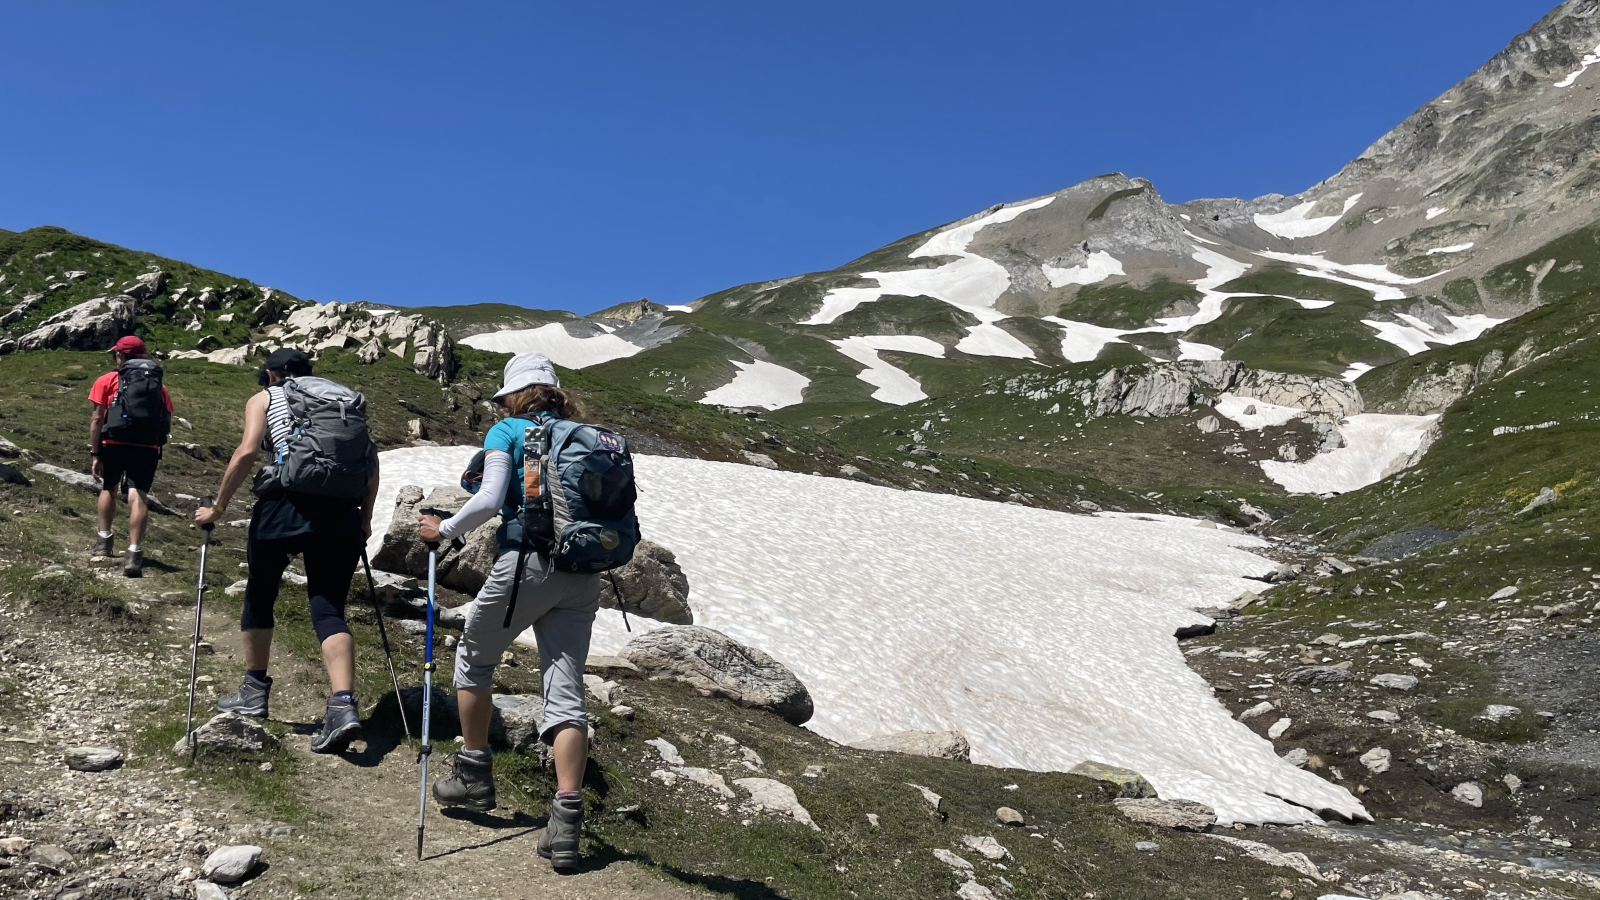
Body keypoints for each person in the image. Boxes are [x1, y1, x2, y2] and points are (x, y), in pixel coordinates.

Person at [418, 352, 599, 871]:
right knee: (565, 691)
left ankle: (474, 776)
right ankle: (564, 825)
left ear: (513, 396)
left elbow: (491, 499)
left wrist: (444, 530)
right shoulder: (579, 435)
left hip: (528, 565)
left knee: (474, 661)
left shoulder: (508, 432)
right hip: (584, 573)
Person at [194, 348, 380, 754]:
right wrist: (364, 520)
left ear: (271, 375)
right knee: (329, 608)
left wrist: (219, 507)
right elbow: (371, 462)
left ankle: (254, 690)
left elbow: (246, 451)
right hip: (342, 514)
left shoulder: (267, 398)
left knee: (261, 591)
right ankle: (342, 705)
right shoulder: (344, 400)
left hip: (284, 505)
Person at [88, 335, 174, 577]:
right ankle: (134, 553)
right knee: (138, 496)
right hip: (147, 446)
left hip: (114, 442)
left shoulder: (106, 380)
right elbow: (166, 419)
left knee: (109, 488)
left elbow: (97, 420)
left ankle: (104, 543)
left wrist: (96, 453)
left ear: (120, 355)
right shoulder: (158, 385)